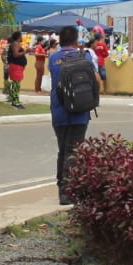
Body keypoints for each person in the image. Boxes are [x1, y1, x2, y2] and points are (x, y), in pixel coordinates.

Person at [47, 26, 93, 205]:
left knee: (63, 150)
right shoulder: (85, 56)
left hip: (59, 110)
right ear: (76, 40)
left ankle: (62, 186)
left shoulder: (53, 58)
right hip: (80, 109)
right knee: (73, 150)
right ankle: (67, 192)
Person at [2, 34, 27, 108]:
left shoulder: (14, 44)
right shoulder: (15, 44)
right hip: (15, 67)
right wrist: (26, 51)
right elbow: (16, 55)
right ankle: (15, 102)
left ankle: (15, 101)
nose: (22, 37)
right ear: (18, 37)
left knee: (16, 85)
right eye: (21, 36)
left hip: (16, 67)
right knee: (16, 85)